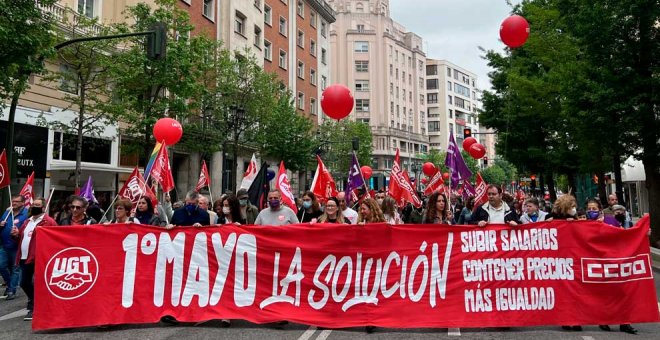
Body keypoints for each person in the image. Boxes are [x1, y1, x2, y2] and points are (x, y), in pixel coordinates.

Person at [12, 197, 58, 321]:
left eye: (37, 205)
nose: (34, 207)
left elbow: (55, 239)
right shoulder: (27, 221)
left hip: (39, 257)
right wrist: (16, 234)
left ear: (43, 208)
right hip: (24, 256)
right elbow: (21, 238)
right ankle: (34, 301)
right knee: (24, 282)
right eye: (33, 205)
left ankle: (35, 307)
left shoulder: (49, 222)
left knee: (39, 283)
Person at [0, 195, 28, 300]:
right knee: (1, 266)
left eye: (16, 201)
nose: (14, 203)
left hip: (17, 246)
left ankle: (12, 290)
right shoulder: (7, 212)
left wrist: (18, 231)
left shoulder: (26, 214)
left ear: (22, 203)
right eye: (13, 201)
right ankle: (9, 283)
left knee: (15, 269)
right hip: (5, 245)